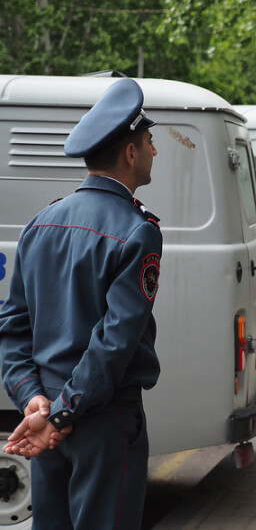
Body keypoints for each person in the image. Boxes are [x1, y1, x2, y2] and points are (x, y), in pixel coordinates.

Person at [0, 77, 162, 529]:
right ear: (130, 154)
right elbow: (115, 341)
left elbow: (12, 324)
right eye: (150, 141)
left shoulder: (41, 222)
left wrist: (33, 399)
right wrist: (66, 411)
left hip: (47, 411)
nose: (154, 151)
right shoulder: (138, 231)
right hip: (102, 420)